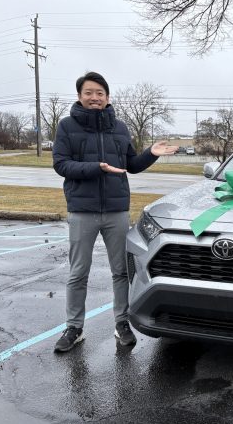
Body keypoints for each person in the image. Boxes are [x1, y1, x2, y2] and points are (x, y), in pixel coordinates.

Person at [52, 71, 178, 353]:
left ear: (107, 97)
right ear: (79, 96)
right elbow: (61, 164)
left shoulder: (119, 127)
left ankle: (122, 323)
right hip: (82, 210)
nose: (94, 97)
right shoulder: (66, 126)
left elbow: (131, 164)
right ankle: (74, 327)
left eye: (100, 93)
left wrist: (151, 153)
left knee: (121, 271)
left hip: (116, 210)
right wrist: (96, 168)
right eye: (89, 92)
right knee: (78, 272)